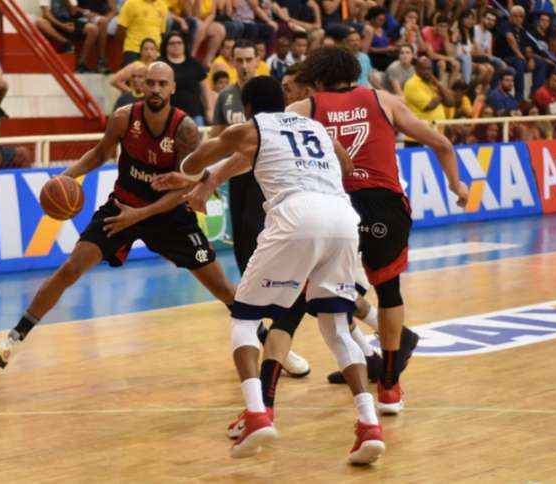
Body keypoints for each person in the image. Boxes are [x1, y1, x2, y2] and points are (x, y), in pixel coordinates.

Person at [158, 75, 386, 464]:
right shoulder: (314, 127)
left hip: (296, 216)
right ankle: (368, 424)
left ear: (246, 106)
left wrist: (188, 160)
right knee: (335, 326)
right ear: (282, 102)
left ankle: (256, 413)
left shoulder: (248, 128)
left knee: (244, 318)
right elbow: (346, 166)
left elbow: (194, 161)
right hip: (342, 217)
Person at [0, 62, 236, 368]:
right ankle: (11, 341)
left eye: (161, 84)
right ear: (142, 85)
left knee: (220, 288)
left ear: (172, 88)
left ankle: (269, 342)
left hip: (168, 215)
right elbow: (100, 154)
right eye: (150, 83)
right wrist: (65, 178)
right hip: (122, 206)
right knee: (71, 268)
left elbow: (183, 188)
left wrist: (140, 215)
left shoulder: (185, 130)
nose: (155, 89)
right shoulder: (124, 119)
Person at [289, 46, 469, 411]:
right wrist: (457, 185)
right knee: (389, 292)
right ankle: (389, 385)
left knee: (316, 294)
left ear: (316, 78)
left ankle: (343, 362)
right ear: (354, 74)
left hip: (334, 207)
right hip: (385, 206)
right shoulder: (383, 100)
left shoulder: (302, 110)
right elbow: (442, 143)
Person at [210, 38, 310, 378]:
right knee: (241, 251)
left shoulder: (271, 90)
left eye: (248, 58)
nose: (242, 64)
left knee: (262, 243)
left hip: (270, 177)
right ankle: (265, 334)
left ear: (258, 59)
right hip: (237, 177)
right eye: (237, 59)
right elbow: (218, 134)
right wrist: (206, 177)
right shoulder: (226, 97)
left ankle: (282, 335)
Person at [35, 0, 112, 73]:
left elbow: (73, 12)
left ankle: (81, 63)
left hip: (68, 21)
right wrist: (62, 25)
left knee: (93, 29)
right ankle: (66, 42)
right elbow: (46, 14)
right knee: (40, 22)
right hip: (53, 21)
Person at [162, 31, 213, 125]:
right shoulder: (161, 65)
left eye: (179, 42)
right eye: (172, 43)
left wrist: (210, 109)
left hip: (195, 114)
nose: (176, 45)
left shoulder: (194, 64)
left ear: (184, 45)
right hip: (168, 114)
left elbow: (205, 88)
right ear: (166, 46)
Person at [402, 56, 454, 147]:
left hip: (436, 134)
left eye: (429, 69)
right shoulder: (412, 84)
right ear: (416, 69)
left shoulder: (433, 83)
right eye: (423, 69)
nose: (427, 72)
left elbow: (450, 102)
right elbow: (429, 106)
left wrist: (438, 84)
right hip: (417, 138)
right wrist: (441, 95)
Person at [114, 0, 168, 67]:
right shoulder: (131, 3)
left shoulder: (162, 4)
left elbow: (161, 32)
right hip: (134, 50)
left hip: (155, 52)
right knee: (133, 76)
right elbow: (121, 29)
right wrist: (127, 50)